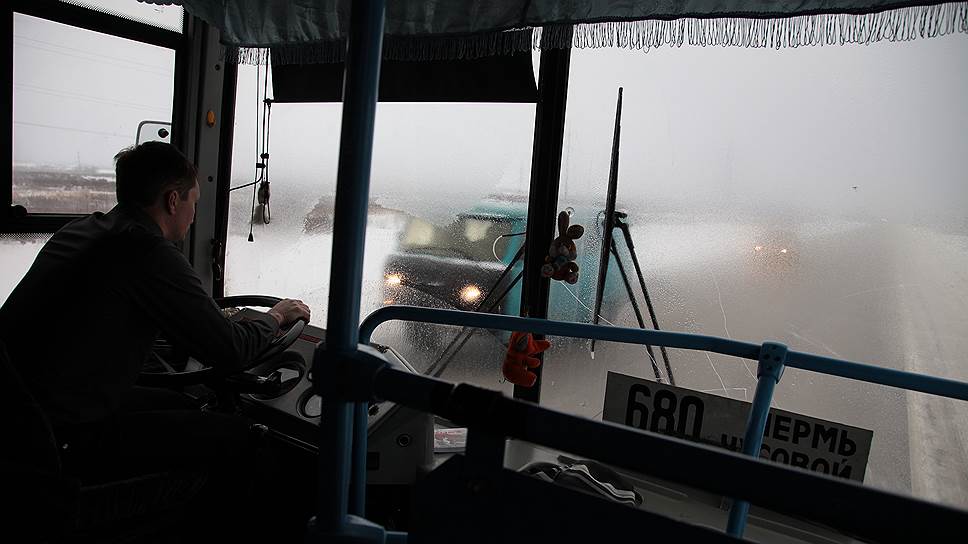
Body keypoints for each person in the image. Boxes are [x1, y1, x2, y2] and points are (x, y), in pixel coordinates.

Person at [0, 142, 311, 537]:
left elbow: (106, 314)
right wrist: (276, 316)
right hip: (59, 442)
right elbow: (231, 350)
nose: (194, 214)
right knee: (245, 441)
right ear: (173, 200)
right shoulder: (146, 251)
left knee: (184, 403)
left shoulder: (84, 230)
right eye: (194, 201)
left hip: (21, 421)